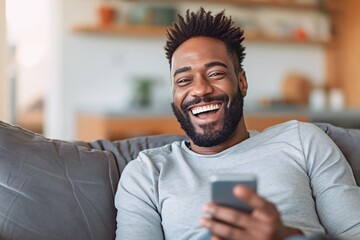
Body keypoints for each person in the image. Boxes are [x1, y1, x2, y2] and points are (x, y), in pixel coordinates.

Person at [115, 8, 360, 240]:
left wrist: (286, 236)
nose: (199, 89)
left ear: (242, 82)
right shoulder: (147, 173)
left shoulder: (303, 140)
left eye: (215, 74)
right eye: (184, 80)